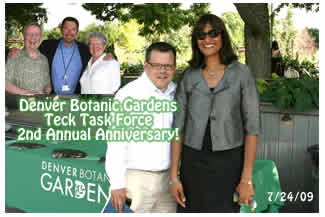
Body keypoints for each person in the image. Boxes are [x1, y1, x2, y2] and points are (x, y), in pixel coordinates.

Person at [170, 14, 260, 213]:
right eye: (201, 35)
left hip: (229, 165)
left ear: (223, 36)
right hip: (193, 165)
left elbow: (252, 128)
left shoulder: (242, 74)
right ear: (196, 41)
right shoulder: (188, 76)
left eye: (213, 33)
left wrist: (246, 178)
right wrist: (174, 177)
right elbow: (177, 127)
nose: (207, 39)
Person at [104, 42, 177, 213]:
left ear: (174, 68)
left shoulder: (176, 93)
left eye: (168, 66)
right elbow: (116, 142)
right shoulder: (129, 94)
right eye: (157, 65)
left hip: (168, 183)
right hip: (135, 182)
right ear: (146, 66)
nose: (163, 71)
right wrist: (117, 183)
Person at [8, 17, 113, 94]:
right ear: (61, 30)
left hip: (75, 99)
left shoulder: (84, 49)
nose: (69, 32)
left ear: (77, 32)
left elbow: (98, 53)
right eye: (66, 28)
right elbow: (30, 50)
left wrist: (110, 56)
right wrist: (14, 50)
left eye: (73, 29)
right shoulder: (47, 45)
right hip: (51, 99)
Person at [5, 23, 51, 95]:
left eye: (36, 34)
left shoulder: (44, 59)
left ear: (40, 38)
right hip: (19, 104)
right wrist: (27, 93)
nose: (33, 37)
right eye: (29, 34)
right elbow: (5, 84)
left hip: (41, 104)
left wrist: (48, 88)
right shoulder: (14, 56)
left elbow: (47, 82)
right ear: (24, 37)